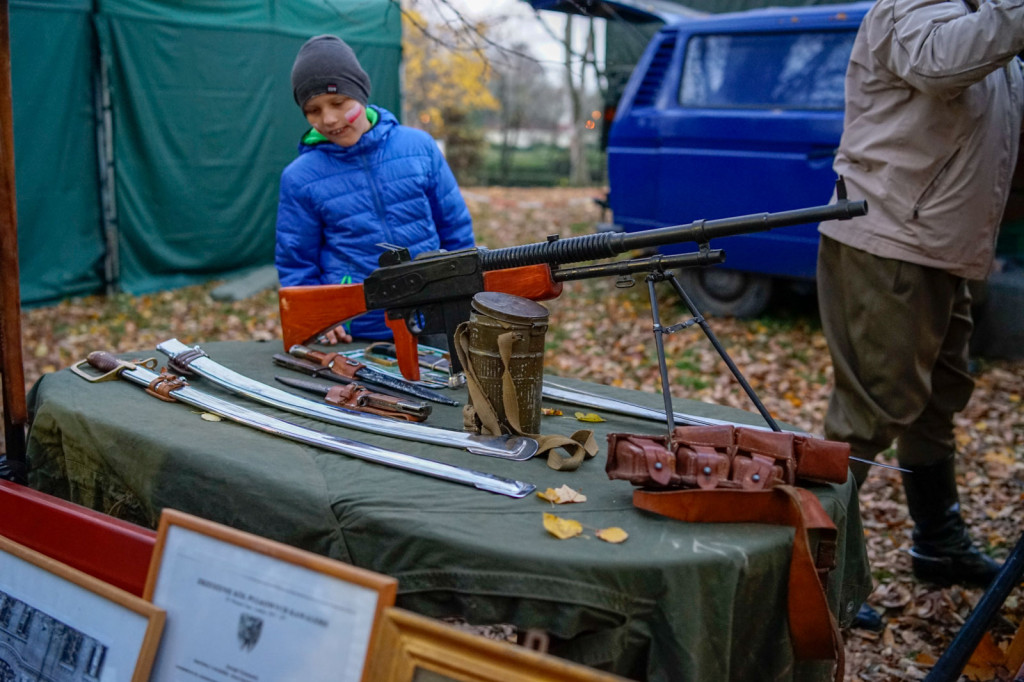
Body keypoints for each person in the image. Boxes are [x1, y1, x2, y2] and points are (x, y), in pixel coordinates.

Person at [816, 0, 1024, 628]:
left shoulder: (985, 13)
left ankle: (938, 544)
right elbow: (938, 63)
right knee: (870, 412)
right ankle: (818, 571)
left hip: (948, 246)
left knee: (937, 401)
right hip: (888, 239)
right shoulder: (916, 4)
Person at [276, 34, 475, 343]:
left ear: (361, 93)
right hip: (357, 330)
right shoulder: (299, 177)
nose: (329, 119)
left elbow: (456, 230)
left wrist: (464, 293)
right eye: (313, 110)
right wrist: (319, 316)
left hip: (435, 316)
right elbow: (296, 260)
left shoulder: (419, 147)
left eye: (338, 102)